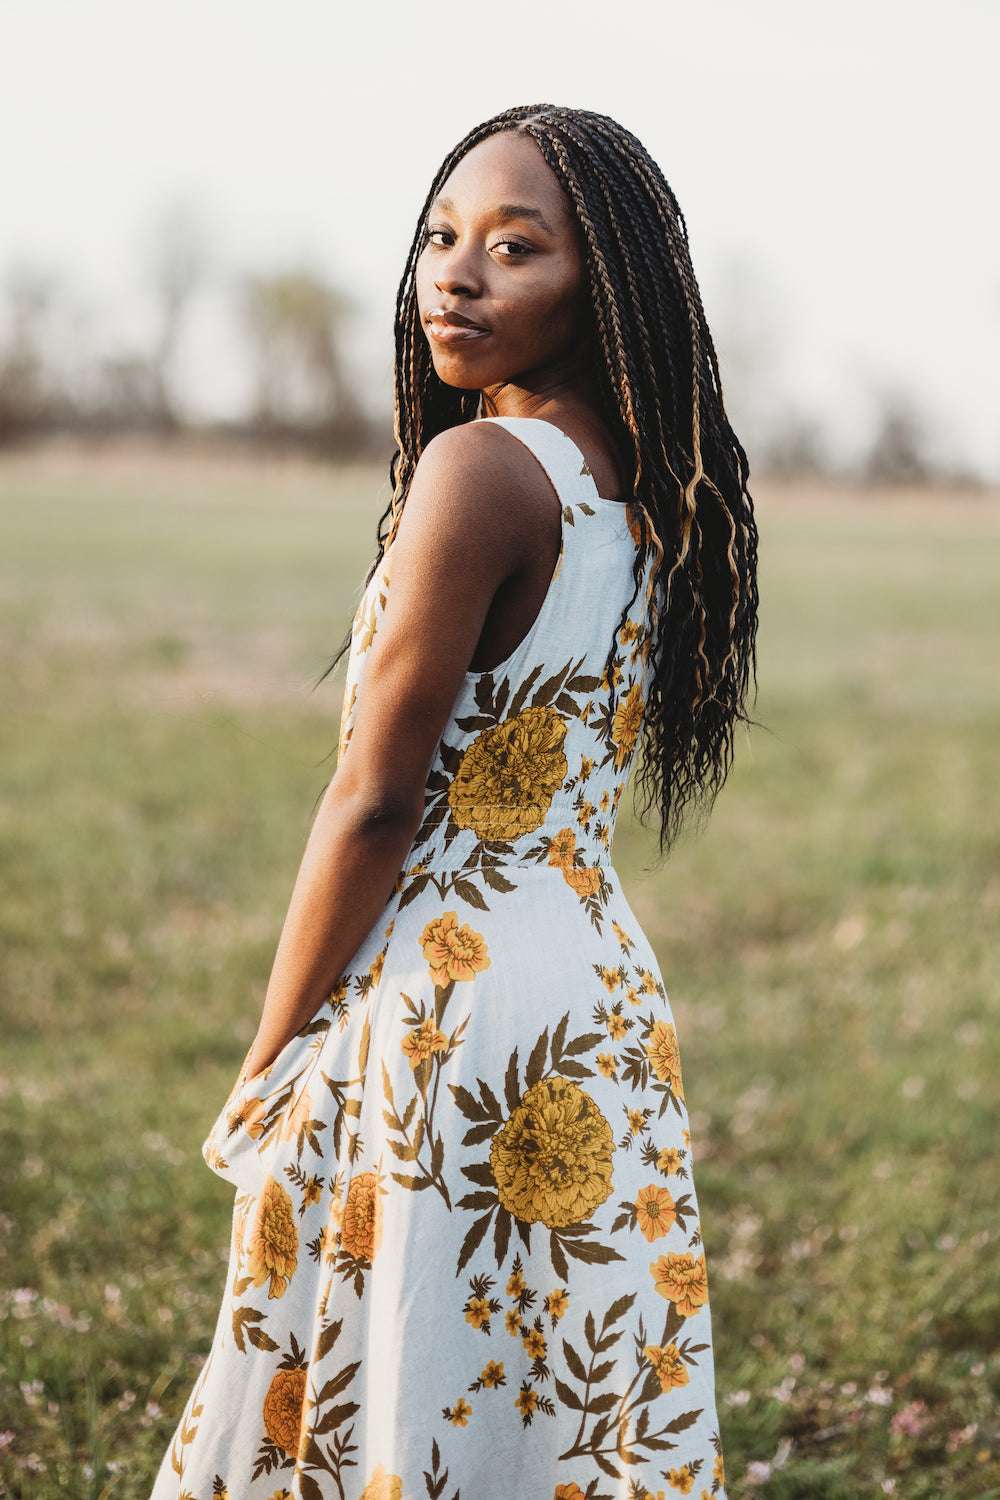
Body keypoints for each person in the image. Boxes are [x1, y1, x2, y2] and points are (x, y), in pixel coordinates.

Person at [150, 102, 759, 1500]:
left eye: (515, 247)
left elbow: (375, 800)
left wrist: (267, 1053)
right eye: (441, 237)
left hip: (448, 1001)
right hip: (594, 991)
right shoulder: (650, 488)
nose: (457, 275)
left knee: (410, 1376)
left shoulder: (483, 470)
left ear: (598, 282)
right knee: (547, 1403)